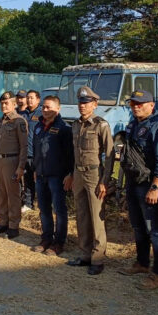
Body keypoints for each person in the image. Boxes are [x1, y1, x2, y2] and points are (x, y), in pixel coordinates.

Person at [118, 90, 158, 290]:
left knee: (154, 230)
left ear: (152, 105)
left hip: (149, 185)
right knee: (138, 226)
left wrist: (156, 187)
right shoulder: (133, 125)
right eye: (133, 104)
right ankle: (142, 263)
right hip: (133, 183)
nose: (136, 107)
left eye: (140, 104)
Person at [64, 86, 113, 275]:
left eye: (86, 103)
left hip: (94, 175)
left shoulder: (101, 125)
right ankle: (84, 254)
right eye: (80, 103)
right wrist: (70, 173)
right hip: (78, 174)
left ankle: (98, 258)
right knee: (82, 215)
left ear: (95, 104)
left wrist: (104, 181)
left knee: (96, 216)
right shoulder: (75, 125)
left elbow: (109, 156)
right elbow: (74, 153)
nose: (82, 106)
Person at [32, 95, 73, 256]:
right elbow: (36, 151)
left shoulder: (64, 129)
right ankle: (46, 238)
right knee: (43, 209)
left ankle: (59, 243)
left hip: (57, 177)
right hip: (41, 175)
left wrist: (70, 174)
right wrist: (36, 169)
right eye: (43, 107)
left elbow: (70, 155)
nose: (45, 109)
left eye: (48, 107)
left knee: (59, 210)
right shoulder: (38, 127)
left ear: (58, 109)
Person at [0, 91, 28, 239]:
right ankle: (3, 221)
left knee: (13, 195)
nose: (3, 106)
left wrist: (21, 167)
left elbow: (24, 146)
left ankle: (13, 225)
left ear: (14, 104)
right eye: (2, 103)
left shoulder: (18, 121)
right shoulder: (1, 121)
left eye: (6, 103)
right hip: (0, 161)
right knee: (2, 194)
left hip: (12, 161)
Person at [21, 89, 42, 212]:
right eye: (27, 98)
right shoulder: (23, 114)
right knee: (28, 180)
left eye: (32, 98)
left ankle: (42, 203)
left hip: (37, 154)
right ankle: (28, 204)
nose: (29, 100)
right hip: (26, 153)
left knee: (40, 180)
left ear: (38, 100)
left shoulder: (41, 113)